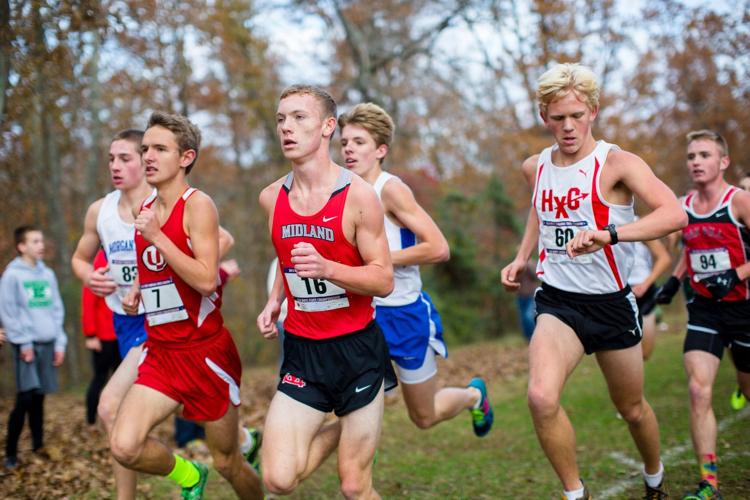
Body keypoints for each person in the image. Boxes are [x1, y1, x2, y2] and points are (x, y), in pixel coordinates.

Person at [500, 63, 686, 500]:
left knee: (632, 410)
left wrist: (612, 234)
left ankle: (655, 477)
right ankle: (574, 493)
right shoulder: (536, 166)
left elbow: (674, 213)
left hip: (612, 304)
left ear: (593, 112)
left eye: (577, 116)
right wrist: (522, 255)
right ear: (544, 116)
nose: (568, 127)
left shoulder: (617, 163)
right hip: (559, 301)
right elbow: (538, 209)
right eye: (558, 117)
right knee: (541, 399)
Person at [109, 111, 261, 499]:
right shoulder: (146, 212)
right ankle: (189, 474)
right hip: (162, 353)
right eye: (145, 149)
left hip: (205, 354)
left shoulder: (198, 206)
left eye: (160, 149)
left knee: (227, 462)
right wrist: (140, 289)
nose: (148, 157)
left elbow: (207, 279)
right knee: (124, 446)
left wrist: (158, 237)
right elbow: (161, 270)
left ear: (186, 157)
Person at [257, 85, 395, 499]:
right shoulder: (271, 198)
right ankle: (350, 423)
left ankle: (358, 416)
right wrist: (275, 300)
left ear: (327, 127)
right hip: (303, 350)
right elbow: (288, 261)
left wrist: (329, 268)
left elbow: (384, 279)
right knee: (279, 479)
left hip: (356, 351)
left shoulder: (359, 197)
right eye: (282, 119)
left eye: (300, 117)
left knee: (354, 486)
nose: (287, 127)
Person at [338, 102, 494, 434]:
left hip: (403, 312)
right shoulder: (341, 191)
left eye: (359, 142)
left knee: (424, 416)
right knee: (354, 407)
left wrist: (378, 260)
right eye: (344, 142)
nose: (348, 148)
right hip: (362, 314)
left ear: (380, 149)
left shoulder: (390, 190)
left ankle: (472, 396)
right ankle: (358, 478)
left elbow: (438, 248)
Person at [653, 130, 750, 500]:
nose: (695, 161)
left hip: (744, 309)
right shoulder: (683, 207)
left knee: (747, 387)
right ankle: (709, 482)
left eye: (704, 155)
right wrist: (675, 281)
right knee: (698, 390)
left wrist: (737, 274)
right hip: (705, 310)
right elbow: (691, 249)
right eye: (691, 155)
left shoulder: (739, 201)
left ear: (723, 162)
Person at [1, 226, 67, 469]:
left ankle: (38, 446)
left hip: (49, 342)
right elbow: (9, 312)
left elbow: (56, 310)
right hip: (26, 346)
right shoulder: (12, 276)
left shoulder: (47, 274)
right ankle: (10, 453)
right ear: (22, 247)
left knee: (39, 398)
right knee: (25, 397)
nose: (41, 245)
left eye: (41, 240)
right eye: (35, 241)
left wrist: (60, 342)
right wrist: (24, 342)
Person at [81, 249, 121, 428]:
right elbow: (88, 303)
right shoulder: (98, 265)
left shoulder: (121, 260)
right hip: (102, 337)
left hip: (121, 334)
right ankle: (90, 419)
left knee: (120, 379)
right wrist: (90, 334)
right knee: (100, 378)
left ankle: (119, 418)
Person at [628, 234, 672, 361]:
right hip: (618, 295)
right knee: (619, 350)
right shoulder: (598, 226)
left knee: (644, 353)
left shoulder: (639, 225)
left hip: (644, 293)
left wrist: (645, 284)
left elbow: (664, 258)